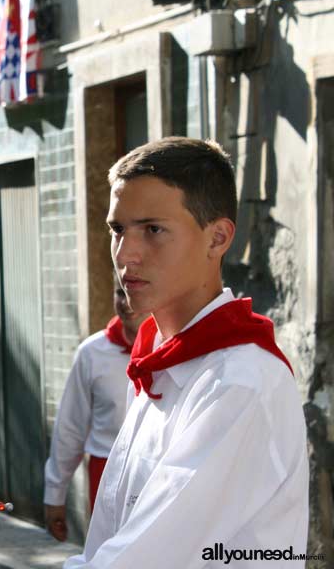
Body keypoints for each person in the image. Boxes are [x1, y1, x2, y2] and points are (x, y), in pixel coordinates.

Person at [65, 137, 308, 567]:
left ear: (217, 238)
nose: (125, 255)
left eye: (153, 230)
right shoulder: (161, 362)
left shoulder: (240, 381)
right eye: (117, 230)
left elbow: (143, 558)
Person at [43, 279, 148, 542]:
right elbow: (70, 427)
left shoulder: (173, 350)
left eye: (134, 291)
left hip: (154, 475)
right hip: (105, 475)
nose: (126, 302)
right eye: (119, 292)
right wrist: (55, 494)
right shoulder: (91, 352)